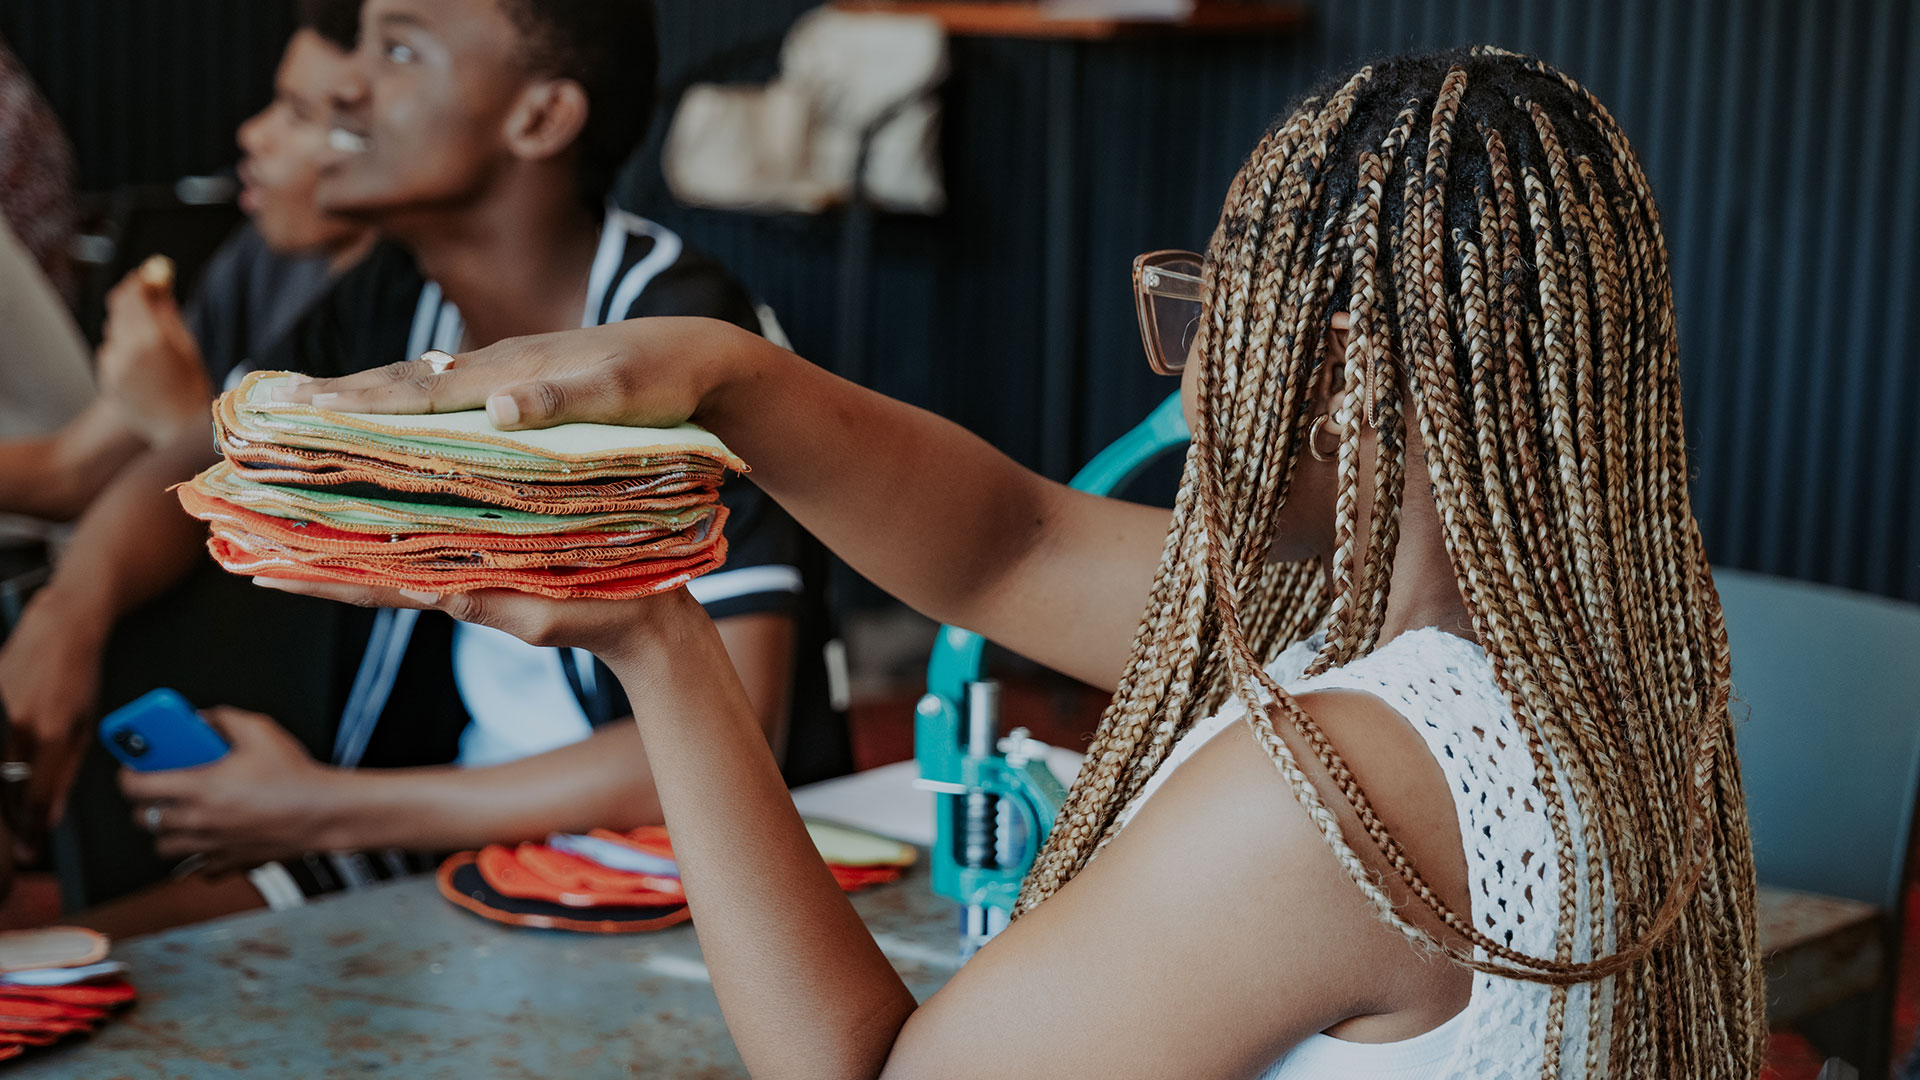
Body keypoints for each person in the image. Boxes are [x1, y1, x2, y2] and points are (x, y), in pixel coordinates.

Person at [265, 47, 1766, 1078]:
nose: (1188, 380)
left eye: (1209, 321)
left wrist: (659, 645)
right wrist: (714, 373)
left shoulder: (1334, 790)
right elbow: (1009, 541)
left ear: (1348, 376)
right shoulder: (1573, 659)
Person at [92, 0, 846, 932]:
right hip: (461, 822)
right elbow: (203, 451)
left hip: (684, 858)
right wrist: (60, 626)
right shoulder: (397, 293)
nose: (348, 85)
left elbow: (738, 733)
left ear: (538, 118)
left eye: (399, 49)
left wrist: (319, 808)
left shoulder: (675, 333)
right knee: (103, 954)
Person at [0, 0, 377, 884]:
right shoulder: (270, 259)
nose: (251, 135)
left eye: (304, 115)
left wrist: (185, 427)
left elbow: (285, 520)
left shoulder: (394, 316)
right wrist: (182, 432)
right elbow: (75, 469)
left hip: (297, 713)